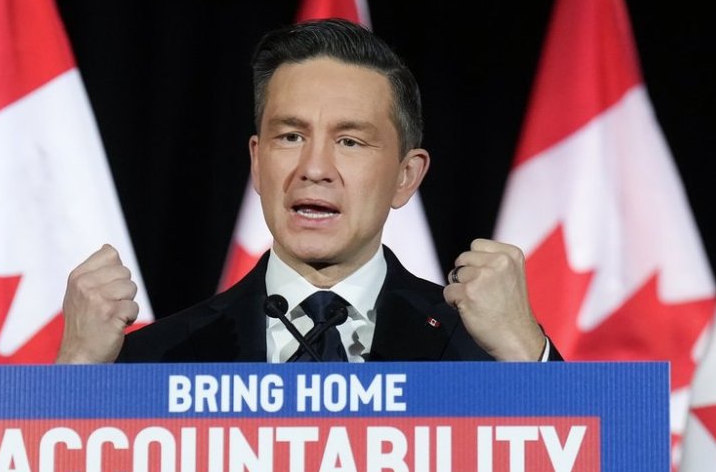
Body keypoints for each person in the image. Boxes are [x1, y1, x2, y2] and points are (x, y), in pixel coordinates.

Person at [56, 18, 561, 364]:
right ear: (257, 161)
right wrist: (76, 375)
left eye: (349, 141)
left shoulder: (484, 354)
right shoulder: (157, 358)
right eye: (291, 136)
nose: (314, 167)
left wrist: (525, 350)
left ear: (406, 176)